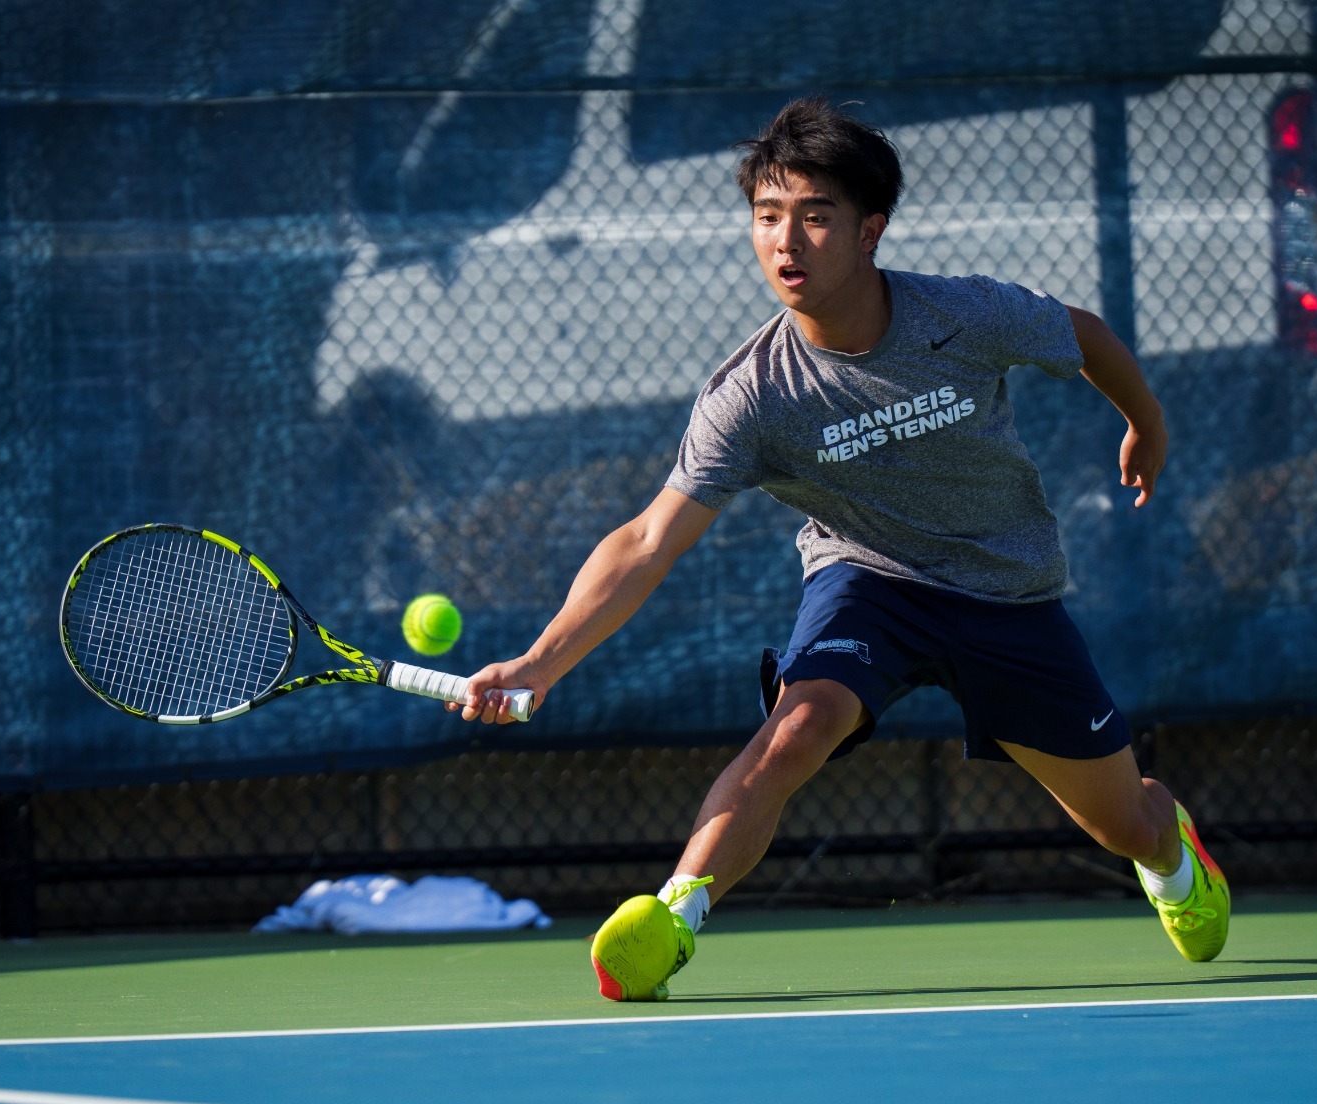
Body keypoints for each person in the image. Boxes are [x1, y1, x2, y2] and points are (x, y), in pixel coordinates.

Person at [453, 96, 1228, 1001]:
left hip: (1005, 589)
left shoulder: (963, 315)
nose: (787, 242)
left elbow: (1083, 334)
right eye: (767, 217)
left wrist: (1147, 422)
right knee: (797, 726)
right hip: (869, 580)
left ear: (870, 231)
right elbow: (647, 539)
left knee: (1123, 824)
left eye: (815, 217)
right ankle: (673, 916)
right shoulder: (751, 396)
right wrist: (543, 661)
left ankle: (1170, 847)